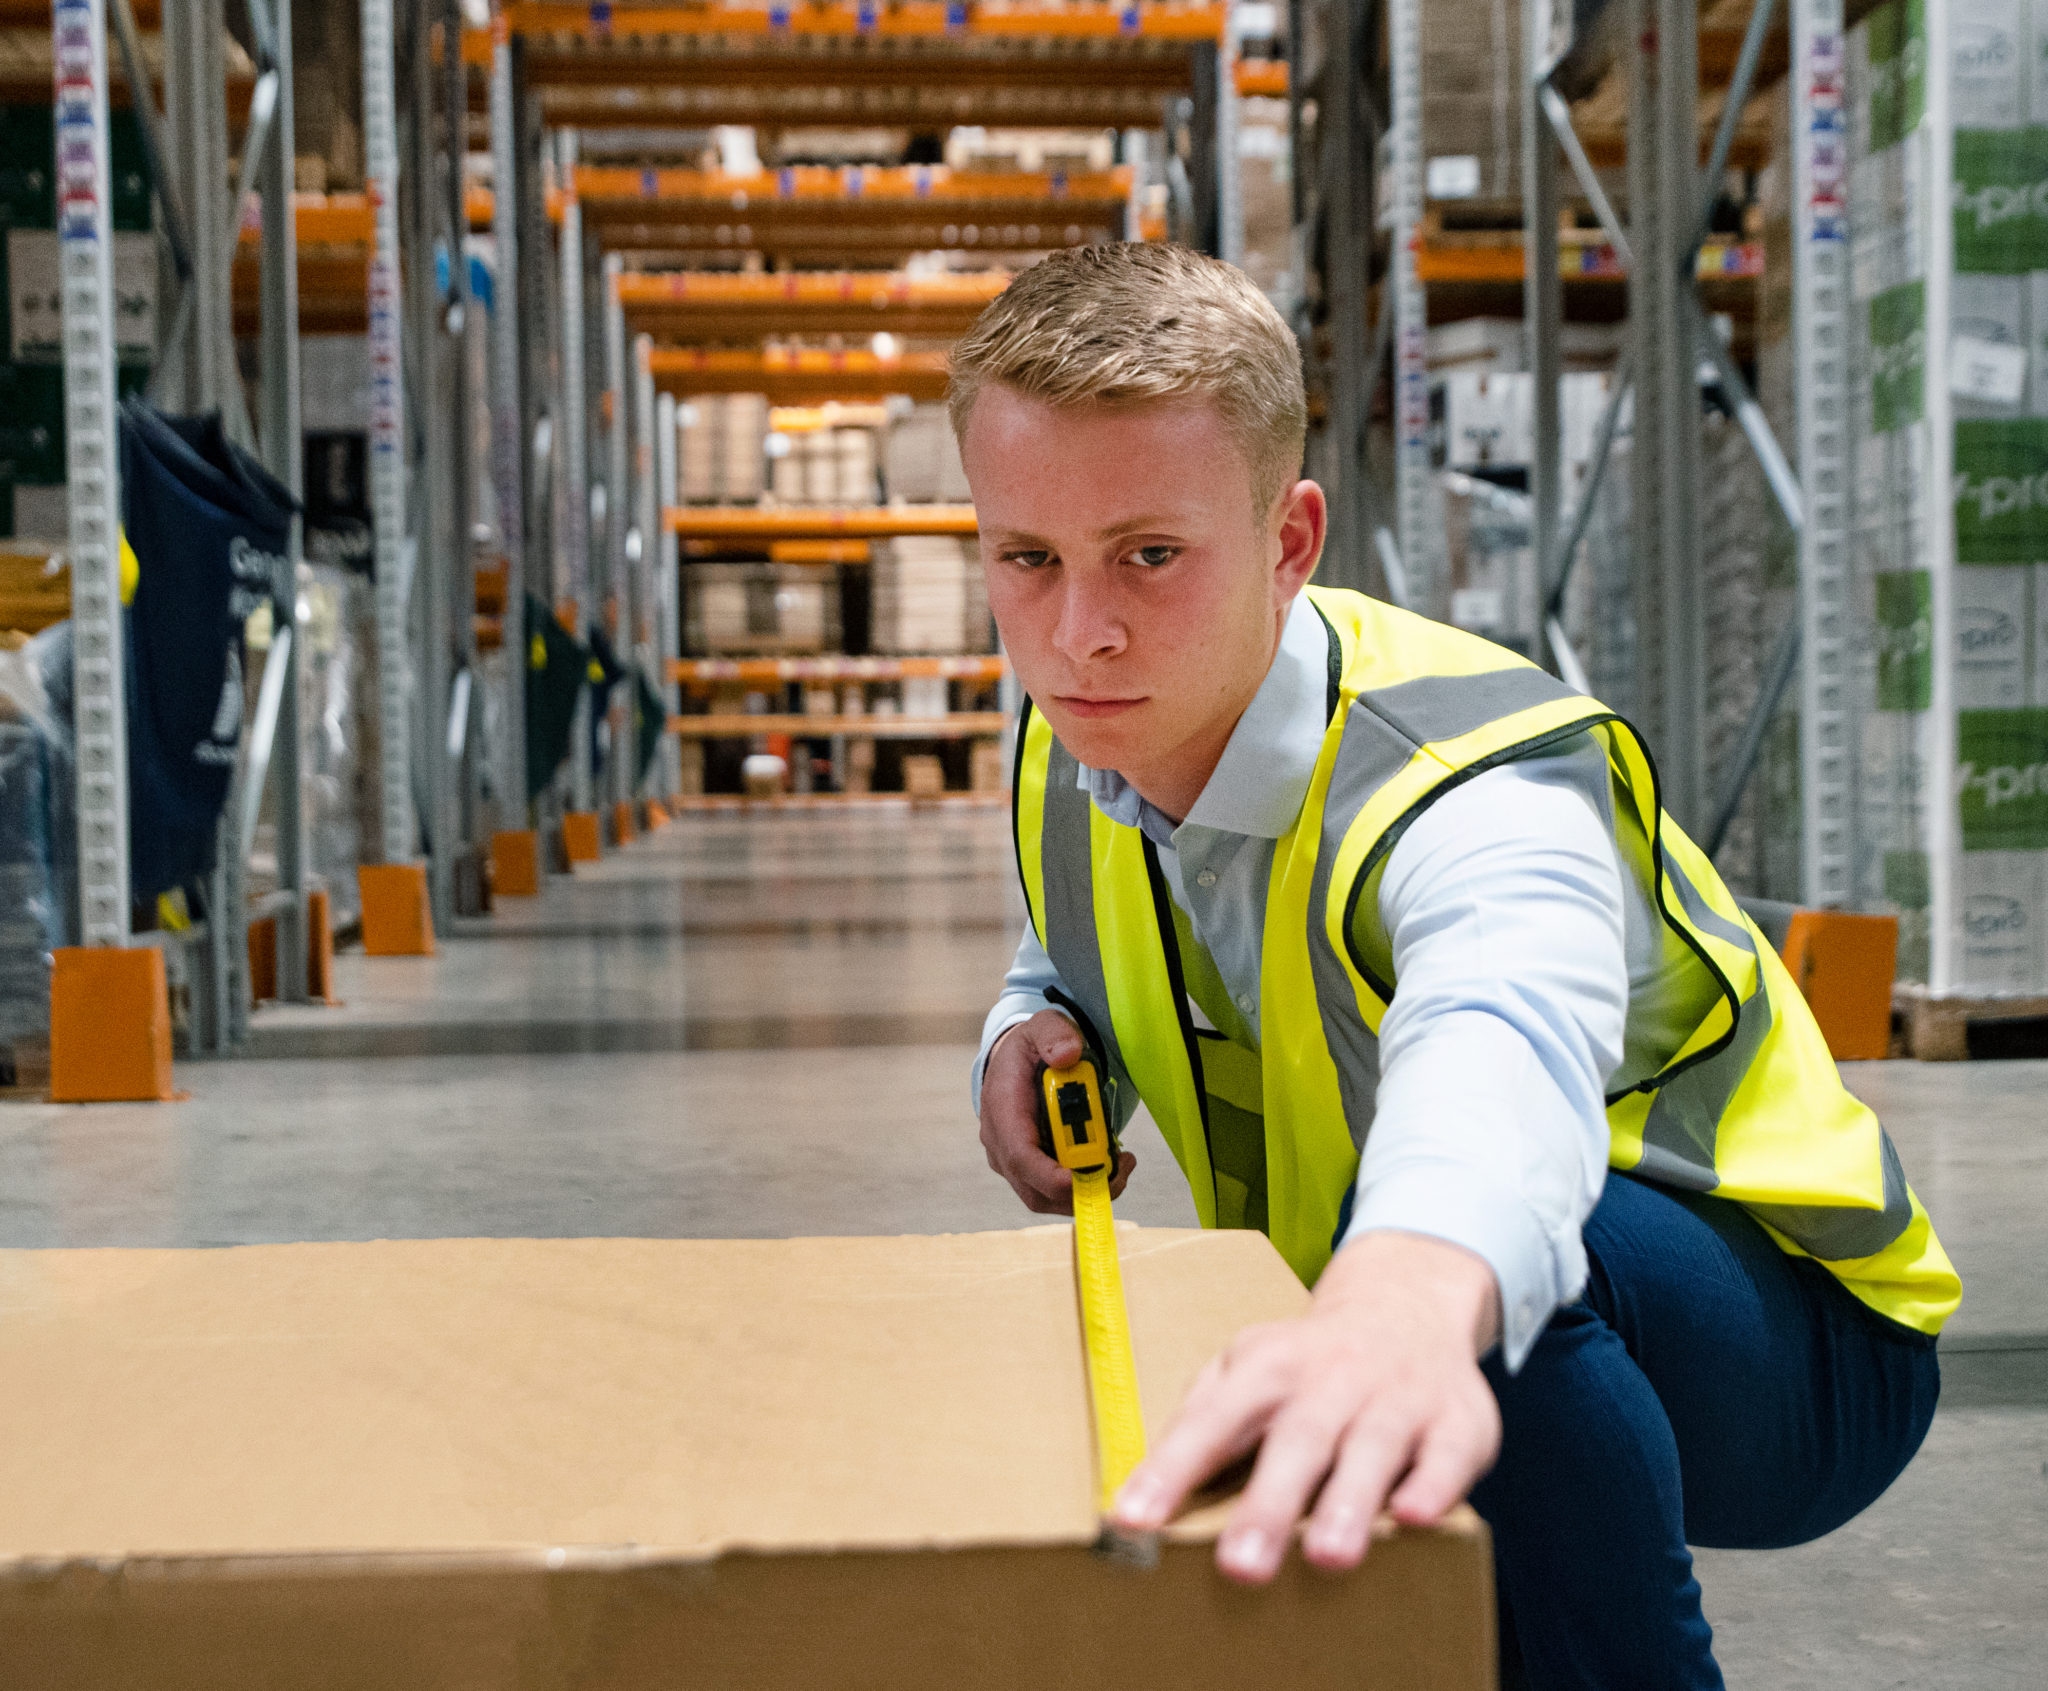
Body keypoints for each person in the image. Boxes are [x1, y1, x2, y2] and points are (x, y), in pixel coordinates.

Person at [955, 243, 1960, 1691]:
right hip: (1485, 1290)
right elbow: (1090, 914)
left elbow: (1505, 1035)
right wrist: (1032, 1018)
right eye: (1026, 558)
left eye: (1150, 555)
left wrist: (1409, 1294)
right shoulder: (1078, 745)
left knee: (1502, 1298)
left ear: (1291, 542)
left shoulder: (1469, 784)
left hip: (1798, 1338)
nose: (1079, 630)